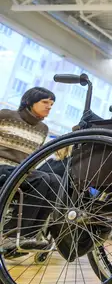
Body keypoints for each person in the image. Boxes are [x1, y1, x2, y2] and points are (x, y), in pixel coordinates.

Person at [0, 87, 59, 253]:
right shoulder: (5, 116)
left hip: (19, 173)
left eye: (52, 104)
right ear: (29, 102)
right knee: (40, 179)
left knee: (55, 181)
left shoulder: (43, 129)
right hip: (2, 167)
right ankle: (11, 235)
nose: (49, 107)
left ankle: (29, 236)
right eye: (45, 102)